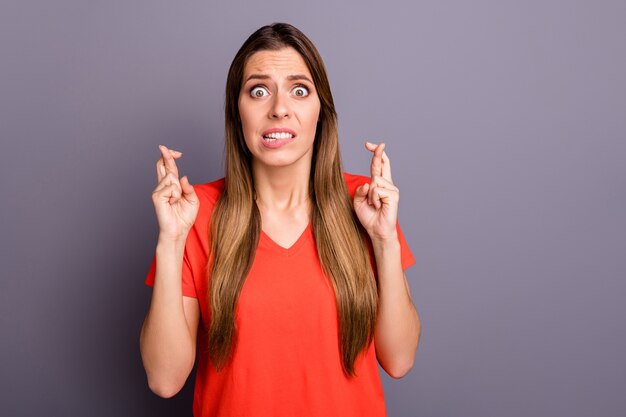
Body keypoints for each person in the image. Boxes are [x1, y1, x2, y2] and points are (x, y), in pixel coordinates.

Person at [140, 22, 421, 416]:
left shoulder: (366, 202)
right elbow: (165, 379)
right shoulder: (193, 213)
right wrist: (170, 241)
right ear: (238, 113)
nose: (279, 108)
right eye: (258, 90)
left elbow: (400, 359)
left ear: (321, 111)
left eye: (299, 90)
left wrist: (385, 240)